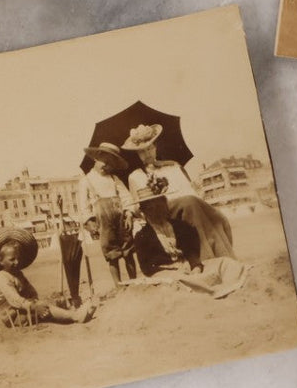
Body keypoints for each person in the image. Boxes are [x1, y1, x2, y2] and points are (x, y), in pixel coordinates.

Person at [122, 124, 235, 261]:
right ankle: (209, 257)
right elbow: (138, 206)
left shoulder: (172, 166)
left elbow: (189, 191)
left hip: (187, 205)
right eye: (142, 152)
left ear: (156, 148)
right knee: (190, 203)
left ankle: (222, 256)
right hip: (160, 212)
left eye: (150, 149)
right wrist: (130, 211)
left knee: (212, 214)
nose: (147, 154)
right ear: (138, 154)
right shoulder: (135, 176)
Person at [129, 187, 247, 298]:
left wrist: (195, 267)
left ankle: (221, 286)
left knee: (226, 263)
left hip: (187, 268)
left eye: (159, 205)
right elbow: (147, 268)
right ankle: (209, 290)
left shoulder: (181, 226)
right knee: (180, 281)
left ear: (165, 204)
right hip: (165, 273)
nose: (156, 211)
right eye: (150, 208)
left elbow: (192, 253)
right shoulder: (142, 236)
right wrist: (172, 271)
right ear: (143, 211)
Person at [0, 228, 94, 324]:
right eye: (12, 259)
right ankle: (75, 316)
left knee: (46, 305)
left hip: (22, 308)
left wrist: (35, 302)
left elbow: (31, 291)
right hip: (11, 315)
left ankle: (72, 313)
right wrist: (34, 306)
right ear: (1, 261)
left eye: (18, 258)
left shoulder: (18, 274)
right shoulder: (2, 278)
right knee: (46, 308)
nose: (16, 262)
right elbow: (15, 300)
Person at [77, 142, 138, 286]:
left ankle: (135, 282)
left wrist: (129, 213)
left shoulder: (114, 179)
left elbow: (127, 197)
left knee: (128, 251)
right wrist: (90, 222)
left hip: (121, 220)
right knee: (112, 254)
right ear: (96, 158)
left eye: (110, 163)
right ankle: (119, 285)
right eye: (103, 160)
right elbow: (83, 206)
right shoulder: (86, 181)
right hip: (103, 222)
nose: (106, 165)